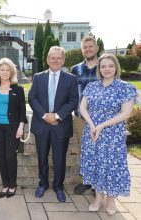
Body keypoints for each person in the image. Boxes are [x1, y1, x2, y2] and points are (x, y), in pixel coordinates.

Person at [80, 53, 137, 215]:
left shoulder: (125, 87)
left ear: (116, 67)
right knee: (96, 165)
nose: (107, 69)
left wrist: (102, 125)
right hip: (92, 134)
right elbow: (83, 108)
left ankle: (111, 201)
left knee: (112, 167)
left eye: (110, 66)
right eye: (103, 66)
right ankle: (98, 199)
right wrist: (92, 125)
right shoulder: (91, 86)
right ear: (99, 68)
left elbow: (126, 113)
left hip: (113, 136)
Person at [28, 46, 78, 202]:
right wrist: (45, 116)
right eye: (52, 58)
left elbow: (73, 101)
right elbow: (32, 98)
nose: (55, 61)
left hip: (60, 125)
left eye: (59, 58)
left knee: (59, 158)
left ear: (63, 60)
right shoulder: (38, 77)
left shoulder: (71, 79)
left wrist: (57, 116)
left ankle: (58, 187)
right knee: (42, 157)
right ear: (47, 60)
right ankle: (42, 184)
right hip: (42, 125)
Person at [0, 58, 27, 198]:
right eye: (2, 70)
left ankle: (12, 185)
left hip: (12, 128)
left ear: (11, 72)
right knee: (1, 156)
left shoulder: (18, 89)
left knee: (10, 156)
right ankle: (5, 185)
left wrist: (21, 127)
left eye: (7, 70)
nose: (5, 72)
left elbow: (22, 110)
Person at [71, 36, 99, 195]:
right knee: (85, 149)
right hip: (81, 117)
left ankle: (98, 184)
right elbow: (72, 92)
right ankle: (87, 181)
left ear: (96, 48)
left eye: (90, 46)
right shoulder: (76, 69)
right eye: (85, 47)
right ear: (82, 50)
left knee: (100, 150)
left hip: (101, 118)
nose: (88, 49)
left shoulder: (105, 66)